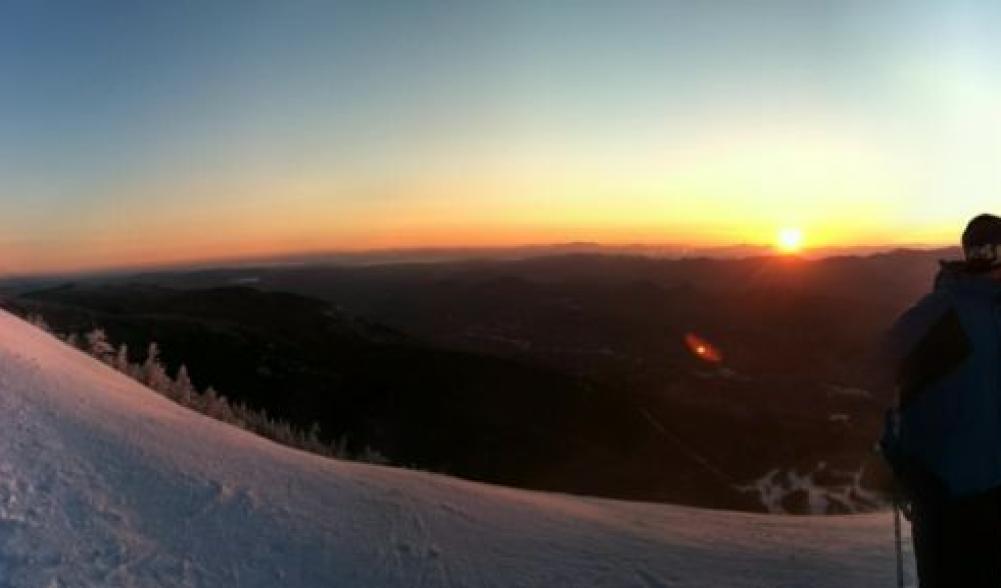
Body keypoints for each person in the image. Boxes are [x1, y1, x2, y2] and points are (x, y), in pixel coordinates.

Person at [881, 213, 1001, 587]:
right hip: (948, 501)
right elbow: (884, 383)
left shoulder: (936, 315)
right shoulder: (941, 318)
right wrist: (902, 464)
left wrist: (901, 463)